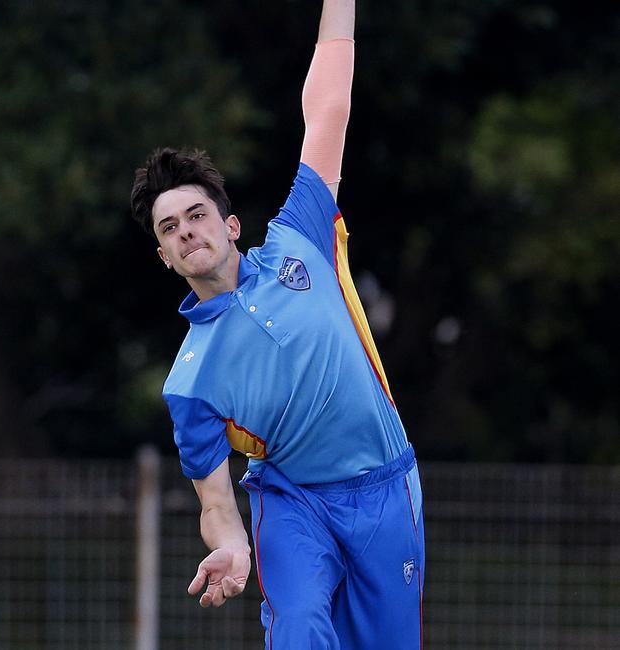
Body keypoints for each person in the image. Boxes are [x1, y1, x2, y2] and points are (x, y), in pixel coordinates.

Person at [130, 1, 424, 647]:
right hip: (293, 502)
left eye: (197, 215)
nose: (186, 231)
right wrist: (232, 545)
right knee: (297, 627)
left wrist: (340, 7)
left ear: (231, 225)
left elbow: (328, 110)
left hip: (386, 486)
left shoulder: (301, 236)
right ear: (164, 256)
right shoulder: (190, 382)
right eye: (169, 229)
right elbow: (214, 503)